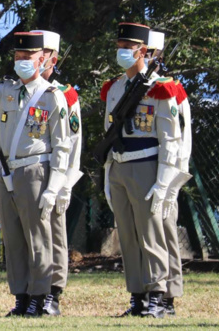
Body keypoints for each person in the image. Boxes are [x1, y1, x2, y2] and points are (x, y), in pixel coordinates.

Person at [0, 32, 70, 317]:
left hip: (36, 169)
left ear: (42, 59)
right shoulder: (7, 90)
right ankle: (21, 296)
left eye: (27, 57)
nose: (21, 61)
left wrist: (54, 186)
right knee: (14, 238)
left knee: (38, 237)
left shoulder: (52, 96)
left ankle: (41, 296)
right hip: (8, 170)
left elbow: (62, 146)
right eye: (18, 57)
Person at [100, 22, 182, 318]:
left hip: (147, 164)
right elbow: (110, 130)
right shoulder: (115, 87)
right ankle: (138, 297)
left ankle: (159, 296)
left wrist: (164, 183)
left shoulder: (160, 89)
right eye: (119, 47)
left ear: (142, 51)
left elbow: (170, 140)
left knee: (151, 234)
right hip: (120, 166)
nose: (121, 52)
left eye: (127, 48)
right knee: (128, 236)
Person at [32, 30, 83, 316]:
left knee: (54, 234)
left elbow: (73, 142)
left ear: (52, 58)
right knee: (33, 236)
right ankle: (32, 291)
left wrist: (65, 185)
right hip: (30, 171)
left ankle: (53, 292)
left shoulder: (65, 94)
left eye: (41, 54)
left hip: (56, 170)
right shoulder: (23, 91)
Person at [147, 30, 191, 316]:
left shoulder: (171, 89)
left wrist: (173, 181)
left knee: (165, 232)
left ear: (156, 56)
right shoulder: (127, 87)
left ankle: (169, 295)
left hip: (166, 171)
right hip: (139, 168)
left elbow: (181, 139)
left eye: (147, 52)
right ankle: (148, 293)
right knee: (148, 236)